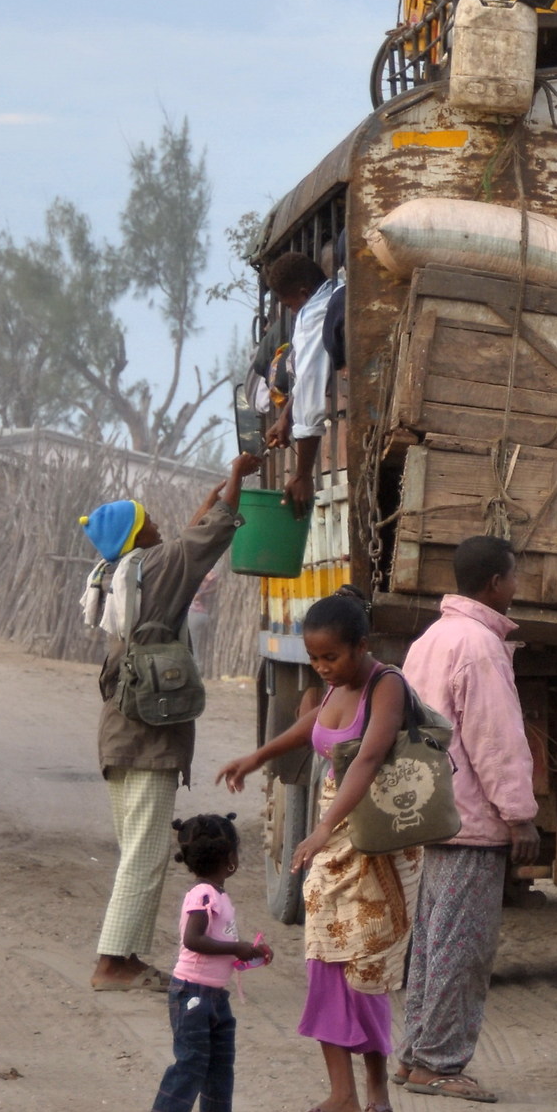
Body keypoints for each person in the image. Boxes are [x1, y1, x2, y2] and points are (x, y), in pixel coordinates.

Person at [217, 589, 422, 1112]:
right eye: (314, 658)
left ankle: (377, 1087)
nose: (322, 667)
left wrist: (322, 828)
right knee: (324, 957)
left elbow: (370, 757)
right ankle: (340, 1095)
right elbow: (312, 730)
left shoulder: (387, 685)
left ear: (362, 645)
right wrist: (258, 755)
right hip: (330, 841)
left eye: (331, 656)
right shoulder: (333, 687)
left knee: (365, 964)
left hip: (376, 842)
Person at [81, 451, 261, 993]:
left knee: (141, 846)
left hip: (121, 733)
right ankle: (113, 963)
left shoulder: (123, 573)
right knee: (146, 853)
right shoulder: (157, 569)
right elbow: (204, 539)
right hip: (145, 741)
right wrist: (236, 478)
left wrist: (218, 493)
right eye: (149, 520)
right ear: (138, 535)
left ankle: (124, 957)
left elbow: (189, 534)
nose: (160, 524)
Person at [391, 535, 541, 1104]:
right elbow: (496, 740)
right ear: (496, 583)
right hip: (472, 820)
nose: (517, 586)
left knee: (433, 940)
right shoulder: (479, 645)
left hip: (434, 809)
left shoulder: (431, 638)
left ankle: (416, 1055)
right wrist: (520, 816)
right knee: (463, 946)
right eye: (514, 576)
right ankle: (437, 1062)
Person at [146, 814, 272, 1112]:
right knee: (193, 1057)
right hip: (192, 992)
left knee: (219, 1058)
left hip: (214, 995)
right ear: (231, 857)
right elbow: (194, 939)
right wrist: (238, 947)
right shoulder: (203, 895)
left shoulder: (217, 894)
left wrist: (250, 953)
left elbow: (219, 947)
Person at [262, 252, 339, 514]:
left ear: (304, 293)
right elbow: (305, 377)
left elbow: (308, 387)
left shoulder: (313, 315)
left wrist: (303, 474)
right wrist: (286, 416)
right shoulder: (335, 290)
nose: (291, 311)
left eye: (289, 304)